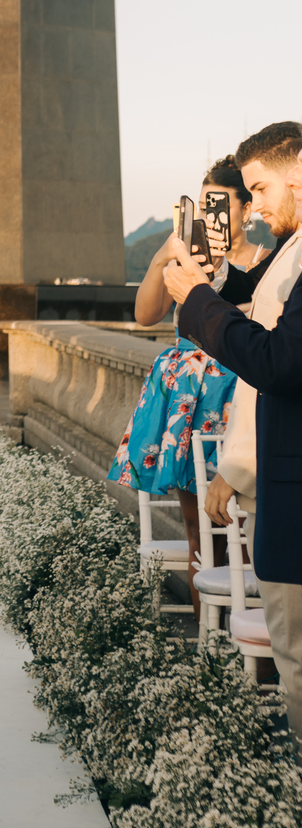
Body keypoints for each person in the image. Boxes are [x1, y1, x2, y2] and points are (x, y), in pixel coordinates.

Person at [166, 125, 302, 731]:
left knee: (296, 665)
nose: (256, 206)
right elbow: (253, 290)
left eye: (261, 188)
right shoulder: (292, 248)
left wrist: (196, 300)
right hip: (281, 483)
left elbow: (278, 362)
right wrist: (207, 273)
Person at [108, 157, 266, 611]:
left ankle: (248, 647)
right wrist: (166, 253)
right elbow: (144, 315)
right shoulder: (184, 258)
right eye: (203, 203)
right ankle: (211, 648)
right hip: (186, 405)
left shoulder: (265, 265)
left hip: (236, 405)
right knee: (200, 533)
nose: (210, 213)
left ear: (246, 207)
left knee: (245, 534)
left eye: (219, 203)